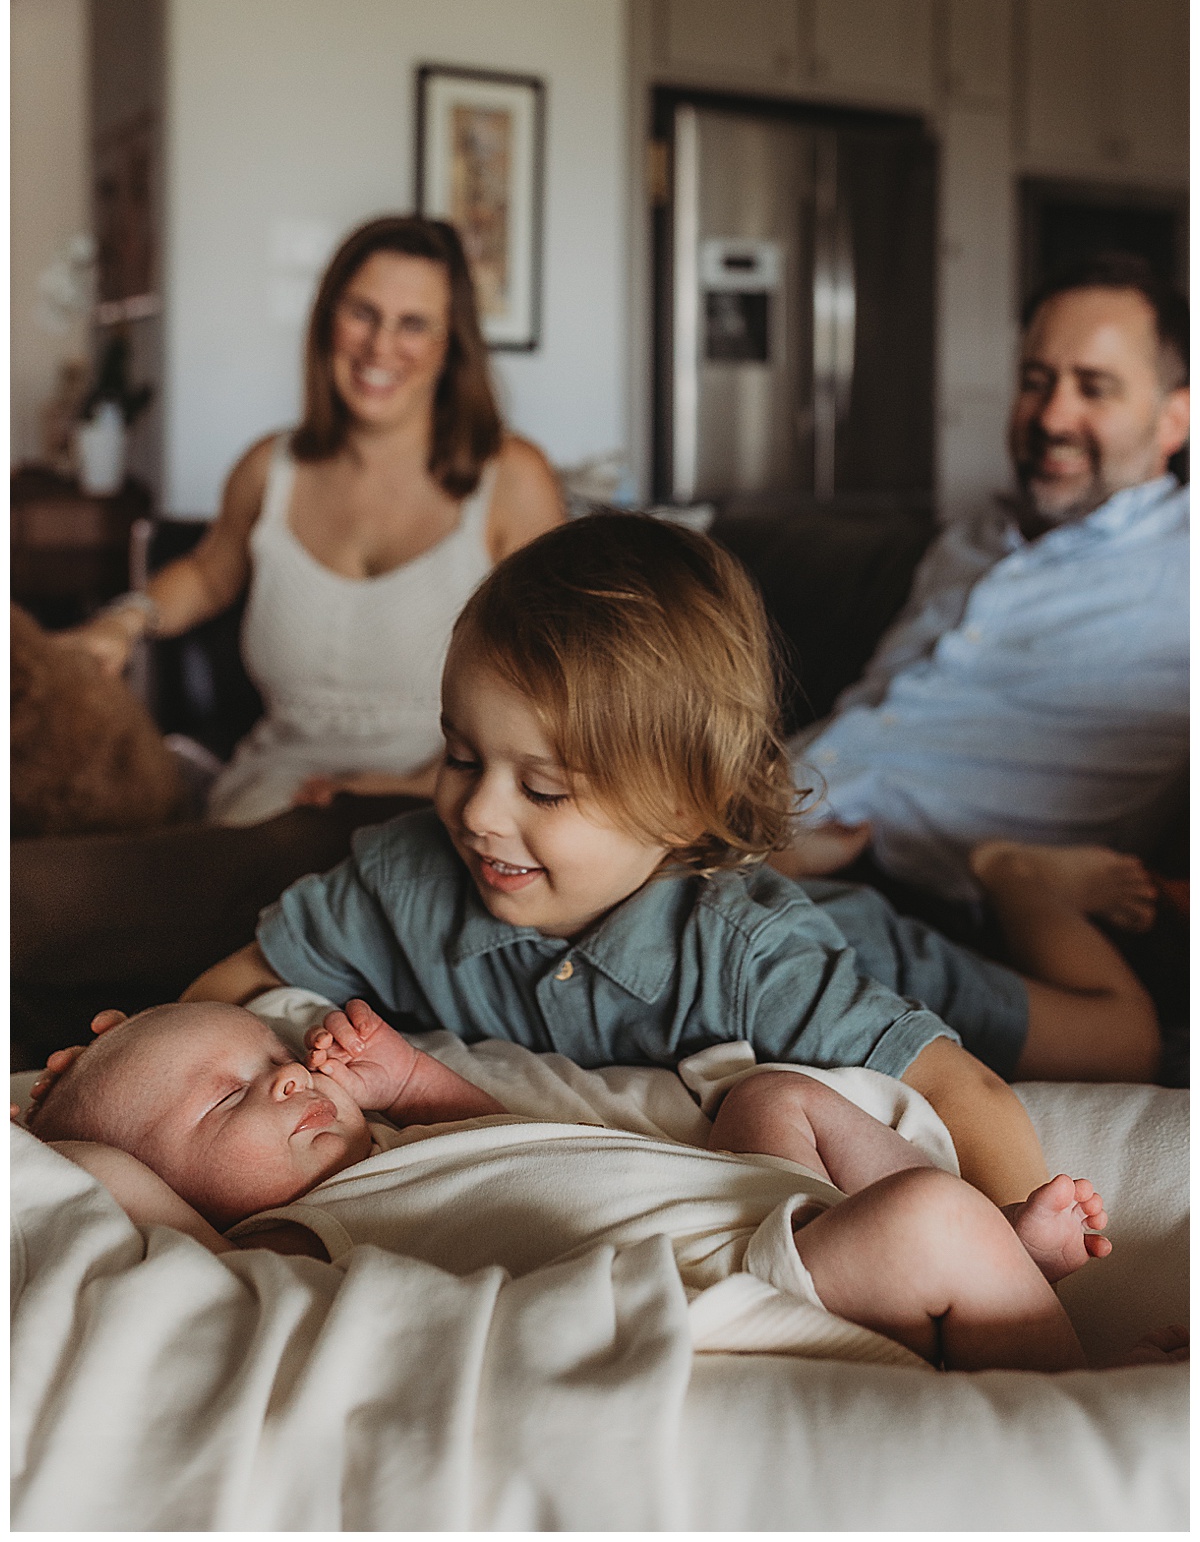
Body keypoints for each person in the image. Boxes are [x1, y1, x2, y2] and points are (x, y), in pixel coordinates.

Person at [175, 509, 1159, 1246]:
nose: (478, 813)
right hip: (741, 887)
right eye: (463, 754)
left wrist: (1015, 1235)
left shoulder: (755, 958)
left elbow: (965, 1087)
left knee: (1125, 1034)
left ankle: (1018, 873)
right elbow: (236, 978)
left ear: (683, 809)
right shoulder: (404, 880)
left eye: (546, 789)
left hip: (863, 946)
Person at [22, 996, 1146, 1375]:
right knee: (926, 1220)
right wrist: (59, 1117)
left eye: (269, 1059)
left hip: (746, 1187)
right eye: (226, 1108)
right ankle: (1068, 1382)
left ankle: (997, 1247)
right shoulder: (287, 1239)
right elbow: (119, 1183)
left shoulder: (386, 1147)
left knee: (773, 1094)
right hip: (748, 1276)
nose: (279, 1087)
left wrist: (415, 1078)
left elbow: (519, 1137)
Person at [63, 215, 565, 826]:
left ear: (450, 345)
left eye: (413, 324)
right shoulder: (266, 468)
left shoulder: (513, 478)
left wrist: (412, 787)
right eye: (362, 313)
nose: (380, 347)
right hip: (270, 802)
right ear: (327, 318)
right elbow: (209, 573)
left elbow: (557, 681)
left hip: (445, 813)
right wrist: (125, 619)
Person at [775, 253, 1189, 909]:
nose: (1052, 418)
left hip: (932, 904)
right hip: (765, 819)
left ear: (1175, 418)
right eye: (1036, 380)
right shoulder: (968, 542)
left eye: (1095, 388)